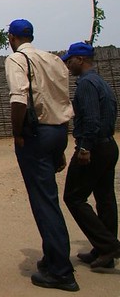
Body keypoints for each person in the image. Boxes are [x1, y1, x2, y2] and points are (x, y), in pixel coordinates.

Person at [5, 19, 78, 292]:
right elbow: (63, 99)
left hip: (36, 134)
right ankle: (51, 257)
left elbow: (18, 99)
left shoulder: (17, 59)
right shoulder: (54, 60)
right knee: (48, 197)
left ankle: (61, 271)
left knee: (44, 202)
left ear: (11, 38)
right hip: (58, 130)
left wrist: (17, 133)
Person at [60, 42, 120, 269]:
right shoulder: (100, 81)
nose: (68, 64)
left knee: (73, 197)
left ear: (81, 60)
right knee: (105, 198)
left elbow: (92, 119)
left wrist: (85, 148)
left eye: (70, 60)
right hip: (108, 145)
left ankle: (109, 246)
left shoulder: (86, 84)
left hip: (94, 148)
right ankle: (104, 252)